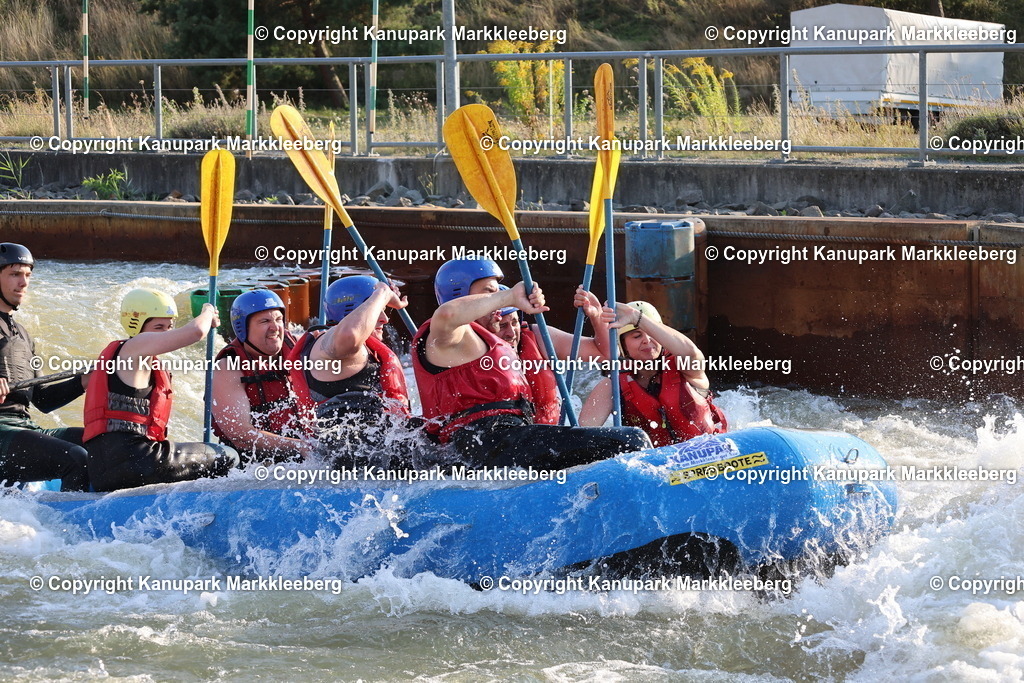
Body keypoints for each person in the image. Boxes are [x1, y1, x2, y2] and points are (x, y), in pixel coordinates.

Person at [413, 258, 650, 469]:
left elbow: (606, 356)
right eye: (489, 292)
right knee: (632, 441)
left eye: (513, 320)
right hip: (477, 444)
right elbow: (447, 314)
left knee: (618, 441)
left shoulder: (529, 338)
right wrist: (509, 296)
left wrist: (596, 316)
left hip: (513, 439)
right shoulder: (447, 340)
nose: (499, 309)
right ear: (460, 295)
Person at [83, 288, 239, 492]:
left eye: (169, 327)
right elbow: (196, 332)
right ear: (137, 325)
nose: (165, 333)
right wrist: (208, 312)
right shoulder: (135, 345)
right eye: (158, 327)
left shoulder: (131, 358)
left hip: (103, 470)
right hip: (137, 459)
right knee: (228, 456)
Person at [286, 275, 415, 468]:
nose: (385, 318)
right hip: (351, 454)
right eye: (376, 308)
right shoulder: (327, 345)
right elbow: (349, 334)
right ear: (352, 312)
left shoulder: (355, 348)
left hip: (368, 452)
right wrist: (382, 292)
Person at [0, 243, 90, 492]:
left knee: (103, 441)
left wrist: (85, 381)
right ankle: (73, 518)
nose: (23, 283)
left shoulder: (24, 335)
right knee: (75, 458)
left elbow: (43, 399)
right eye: (15, 274)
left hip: (23, 425)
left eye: (27, 275)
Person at [580, 300, 728, 446]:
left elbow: (692, 353)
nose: (646, 340)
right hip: (655, 460)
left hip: (708, 452)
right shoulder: (612, 385)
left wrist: (637, 318)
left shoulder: (685, 367)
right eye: (637, 336)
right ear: (623, 346)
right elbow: (584, 432)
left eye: (652, 334)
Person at [490, 283, 611, 425]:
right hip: (501, 434)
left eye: (515, 323)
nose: (511, 333)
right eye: (502, 326)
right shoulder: (472, 350)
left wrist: (596, 315)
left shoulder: (539, 337)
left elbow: (606, 354)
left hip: (550, 432)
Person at [212, 289, 308, 464]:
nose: (275, 327)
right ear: (243, 328)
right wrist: (300, 446)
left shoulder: (298, 347)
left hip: (300, 449)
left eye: (278, 319)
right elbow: (240, 435)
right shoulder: (228, 366)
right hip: (254, 461)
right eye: (265, 321)